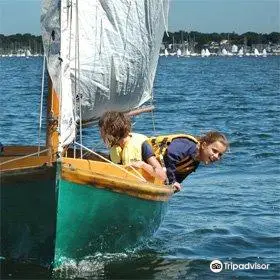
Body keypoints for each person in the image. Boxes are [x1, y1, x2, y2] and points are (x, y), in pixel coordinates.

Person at [147, 131, 229, 192]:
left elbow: (178, 179)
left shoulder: (194, 163)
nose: (216, 156)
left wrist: (172, 188)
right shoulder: (189, 145)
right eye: (214, 151)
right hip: (144, 152)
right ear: (204, 145)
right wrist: (172, 181)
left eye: (220, 154)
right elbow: (171, 155)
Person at [98, 111, 167, 182]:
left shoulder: (142, 145)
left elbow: (162, 176)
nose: (100, 135)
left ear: (112, 130)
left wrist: (142, 165)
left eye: (102, 131)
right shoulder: (114, 149)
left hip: (144, 186)